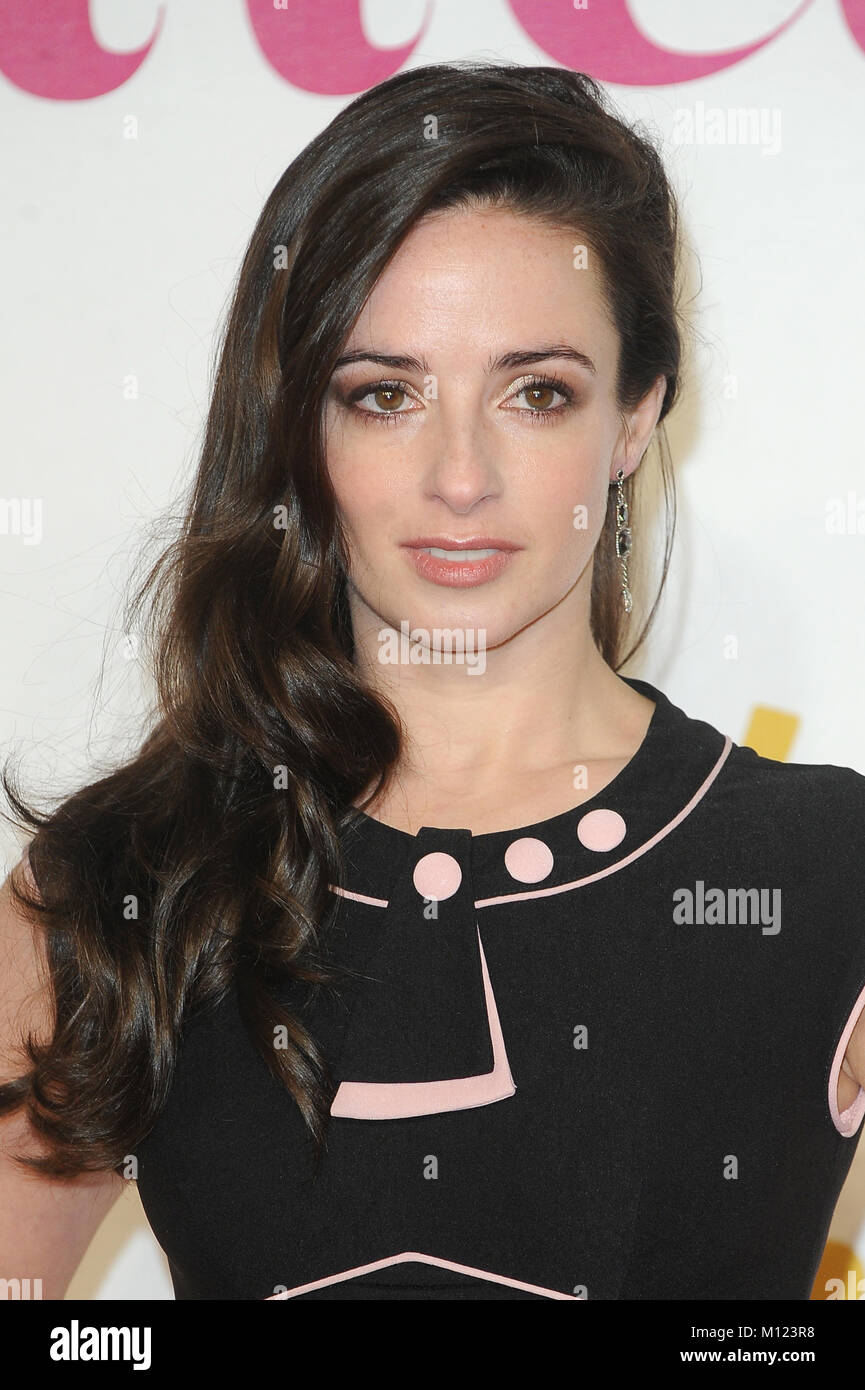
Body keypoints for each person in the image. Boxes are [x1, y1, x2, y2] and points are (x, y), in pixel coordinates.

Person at [2, 59, 864, 1302]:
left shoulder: (826, 870)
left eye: (536, 392)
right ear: (303, 425)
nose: (460, 475)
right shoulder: (122, 881)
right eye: (385, 394)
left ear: (634, 418)